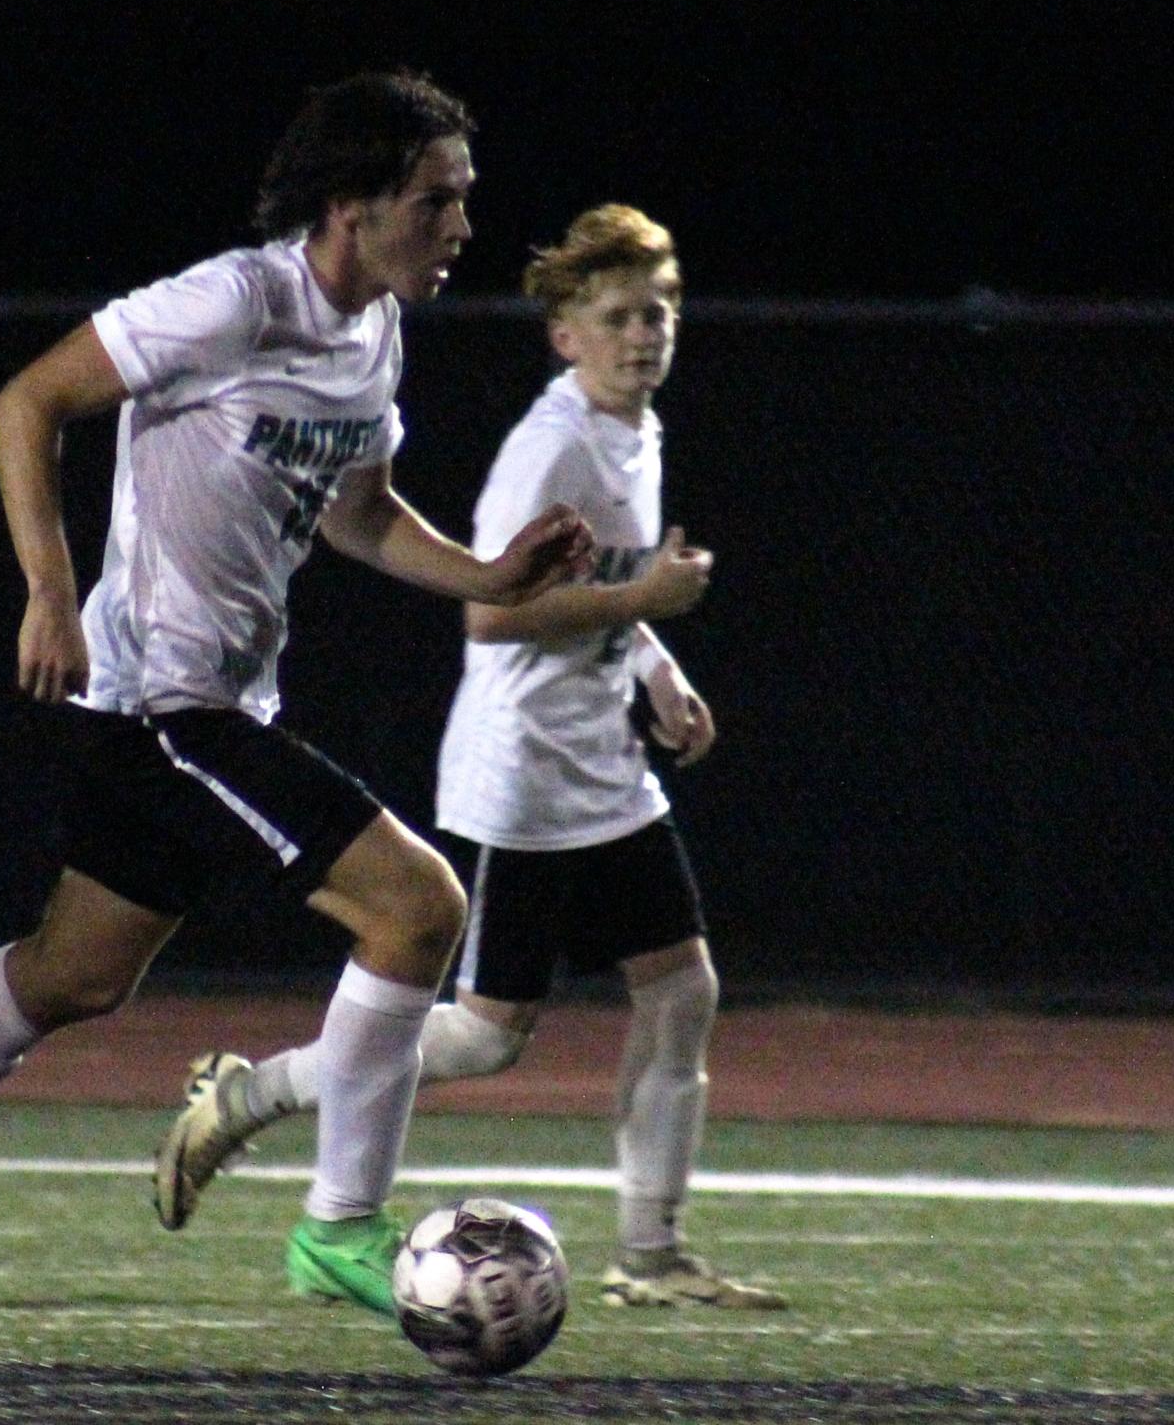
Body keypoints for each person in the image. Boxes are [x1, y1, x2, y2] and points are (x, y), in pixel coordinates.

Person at [0, 69, 594, 1328]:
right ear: (354, 206)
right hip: (160, 707)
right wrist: (49, 591)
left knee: (74, 975)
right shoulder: (233, 301)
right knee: (419, 910)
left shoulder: (373, 337)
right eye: (440, 200)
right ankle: (340, 1229)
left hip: (202, 712)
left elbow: (359, 515)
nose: (464, 227)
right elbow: (27, 400)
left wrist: (487, 574)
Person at [156, 204, 786, 1311]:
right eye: (621, 316)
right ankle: (253, 1095)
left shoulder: (635, 428)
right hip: (525, 786)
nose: (647, 334)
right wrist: (643, 601)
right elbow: (492, 617)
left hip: (605, 774)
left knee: (685, 993)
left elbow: (604, 586)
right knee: (488, 1040)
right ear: (566, 335)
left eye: (662, 312)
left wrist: (653, 665)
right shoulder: (552, 444)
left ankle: (653, 1257)